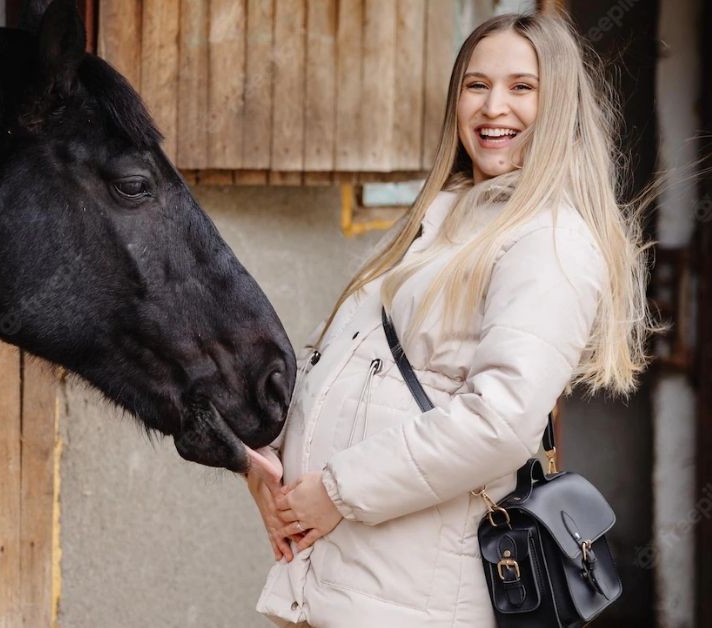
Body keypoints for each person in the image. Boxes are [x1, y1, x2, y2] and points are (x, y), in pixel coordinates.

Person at [246, 12, 657, 628]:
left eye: (523, 87)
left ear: (561, 105)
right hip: (329, 578)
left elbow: (501, 420)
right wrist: (266, 467)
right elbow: (337, 366)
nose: (495, 107)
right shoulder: (435, 219)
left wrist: (334, 492)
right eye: (475, 84)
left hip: (411, 600)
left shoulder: (548, 238)